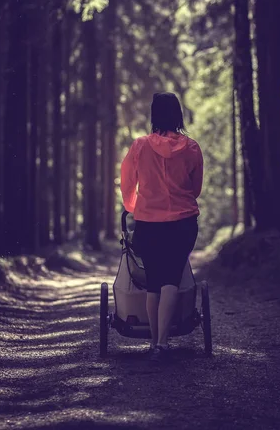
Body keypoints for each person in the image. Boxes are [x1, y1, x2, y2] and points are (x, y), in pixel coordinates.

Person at [120, 92, 204, 362]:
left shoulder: (140, 146)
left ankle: (155, 344)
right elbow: (196, 189)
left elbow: (127, 183)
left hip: (148, 223)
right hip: (183, 223)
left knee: (154, 282)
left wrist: (135, 206)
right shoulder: (192, 148)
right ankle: (162, 345)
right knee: (171, 279)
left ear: (153, 115)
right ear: (178, 114)